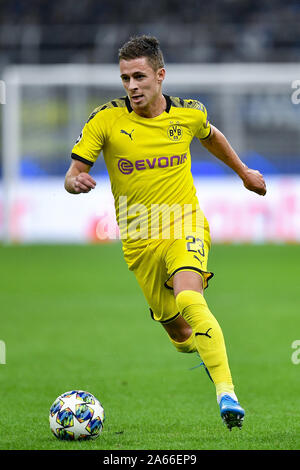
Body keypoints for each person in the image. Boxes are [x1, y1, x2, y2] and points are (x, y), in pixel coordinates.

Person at [64, 35, 266, 430]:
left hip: (184, 223)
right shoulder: (104, 119)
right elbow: (74, 173)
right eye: (125, 78)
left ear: (160, 75)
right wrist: (76, 182)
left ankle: (226, 391)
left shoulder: (189, 114)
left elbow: (210, 135)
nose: (132, 86)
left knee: (190, 295)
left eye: (139, 76)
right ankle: (207, 352)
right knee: (179, 330)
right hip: (138, 240)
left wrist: (243, 172)